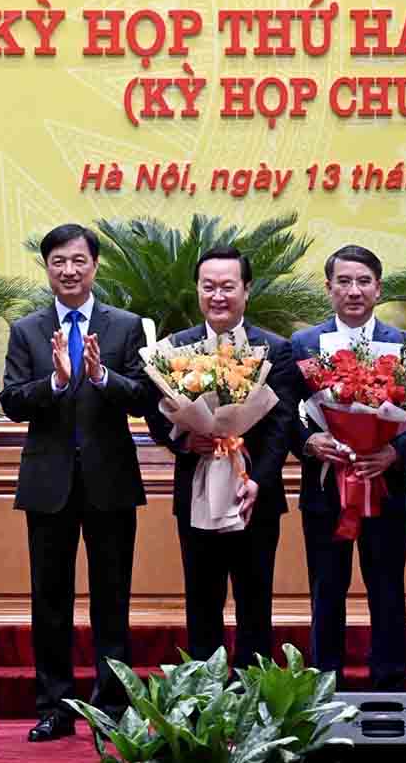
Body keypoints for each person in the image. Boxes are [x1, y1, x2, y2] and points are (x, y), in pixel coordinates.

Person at [0, 223, 151, 743]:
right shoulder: (26, 330)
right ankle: (55, 707)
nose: (69, 270)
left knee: (112, 600)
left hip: (109, 481)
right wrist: (57, 383)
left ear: (94, 265)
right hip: (49, 484)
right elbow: (12, 401)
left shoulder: (125, 326)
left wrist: (103, 376)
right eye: (59, 261)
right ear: (47, 268)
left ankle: (110, 706)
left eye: (78, 261)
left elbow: (145, 397)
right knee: (50, 600)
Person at [286, 244, 406, 691]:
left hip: (384, 488)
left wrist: (394, 452)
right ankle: (324, 688)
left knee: (387, 589)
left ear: (378, 288)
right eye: (344, 281)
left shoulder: (405, 346)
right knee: (326, 591)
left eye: (363, 281)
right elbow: (286, 415)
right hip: (327, 491)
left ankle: (389, 685)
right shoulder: (304, 345)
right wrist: (310, 442)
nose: (354, 290)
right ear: (328, 288)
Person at [144, 245, 294, 671]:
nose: (218, 296)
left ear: (247, 289)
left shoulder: (274, 349)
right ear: (197, 290)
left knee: (254, 603)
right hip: (195, 495)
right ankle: (206, 707)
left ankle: (255, 704)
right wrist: (182, 443)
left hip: (255, 498)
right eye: (208, 287)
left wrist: (258, 480)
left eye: (228, 286)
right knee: (202, 604)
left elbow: (282, 426)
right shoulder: (175, 349)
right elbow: (154, 412)